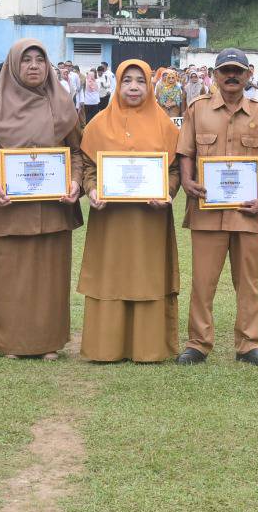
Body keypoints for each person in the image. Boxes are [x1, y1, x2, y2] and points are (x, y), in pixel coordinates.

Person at [0, 39, 88, 359]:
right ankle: (11, 342)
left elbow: (77, 152)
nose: (34, 65)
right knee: (12, 276)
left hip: (53, 208)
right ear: (13, 66)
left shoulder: (64, 106)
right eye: (26, 60)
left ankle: (49, 342)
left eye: (40, 59)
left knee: (51, 277)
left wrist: (75, 181)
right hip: (10, 209)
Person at [176, 49, 258, 366]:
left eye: (237, 71)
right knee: (203, 282)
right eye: (225, 71)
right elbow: (185, 152)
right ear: (215, 75)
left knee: (248, 283)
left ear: (248, 74)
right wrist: (187, 180)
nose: (231, 76)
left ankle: (249, 344)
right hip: (207, 212)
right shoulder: (197, 110)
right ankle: (198, 343)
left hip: (247, 211)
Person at [76, 60, 182, 363]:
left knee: (148, 274)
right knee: (109, 274)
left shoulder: (165, 125)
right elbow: (88, 168)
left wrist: (168, 192)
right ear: (117, 84)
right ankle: (105, 347)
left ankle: (149, 348)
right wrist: (92, 190)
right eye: (127, 81)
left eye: (140, 81)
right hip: (110, 220)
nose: (133, 87)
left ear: (150, 85)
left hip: (150, 220)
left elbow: (173, 170)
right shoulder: (98, 124)